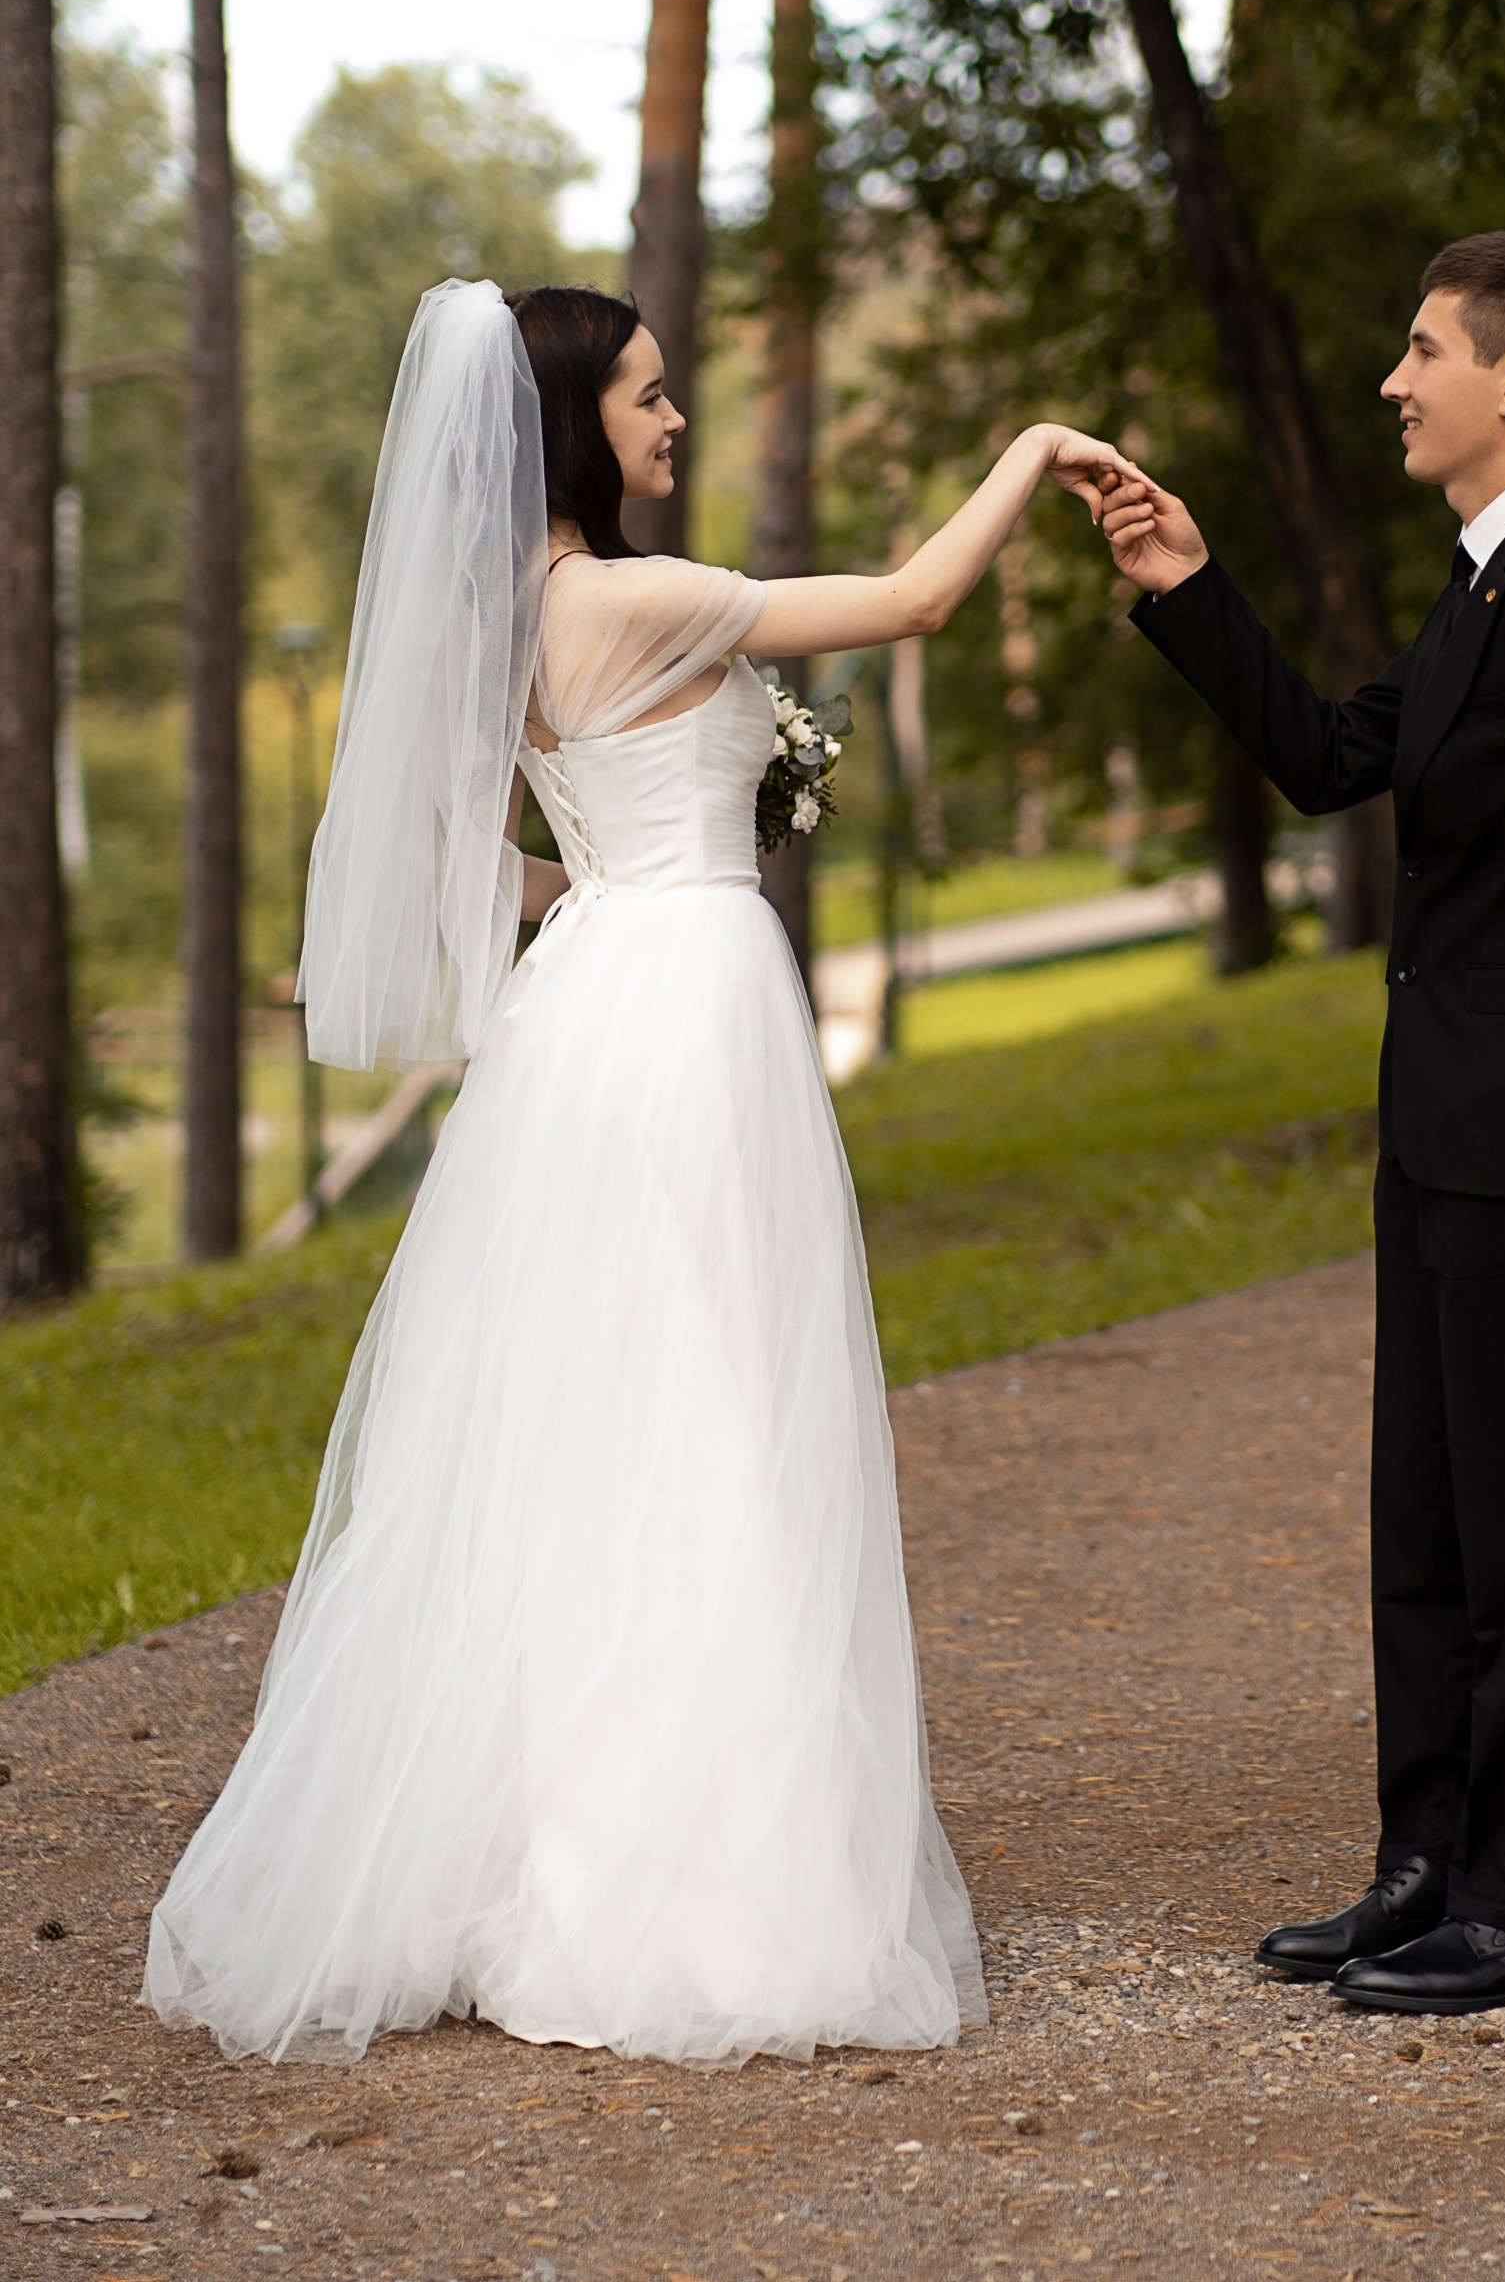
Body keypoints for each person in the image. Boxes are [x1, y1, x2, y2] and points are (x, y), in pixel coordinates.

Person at [144, 278, 1136, 2068]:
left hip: (590, 1002)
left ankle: (522, 1847)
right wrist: (1036, 450)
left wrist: (614, 873)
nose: (675, 422)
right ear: (570, 421)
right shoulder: (638, 597)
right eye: (652, 400)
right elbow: (913, 600)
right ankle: (696, 1882)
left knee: (578, 1413)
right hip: (686, 1008)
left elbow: (479, 866)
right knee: (714, 1400)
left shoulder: (502, 626)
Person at [1102, 228, 1505, 2018]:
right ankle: (1432, 1862)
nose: (1396, 380)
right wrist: (1186, 586)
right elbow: (1331, 756)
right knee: (1434, 1516)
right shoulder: (1483, 586)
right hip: (1446, 1126)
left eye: (1423, 350)